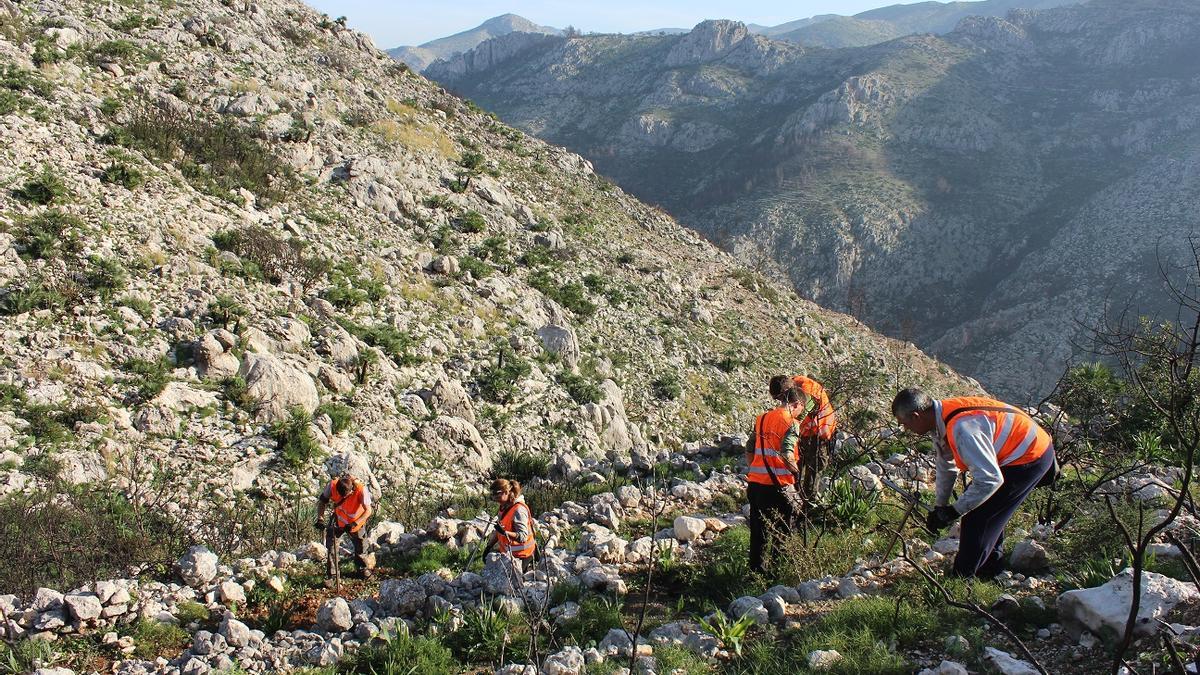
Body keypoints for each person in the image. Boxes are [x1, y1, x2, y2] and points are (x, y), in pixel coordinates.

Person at [891, 388, 1057, 578]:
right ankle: (991, 569)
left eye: (904, 424)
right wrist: (940, 507)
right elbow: (946, 465)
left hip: (1030, 456)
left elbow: (990, 480)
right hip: (1014, 453)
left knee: (978, 517)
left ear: (916, 416)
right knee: (983, 507)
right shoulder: (941, 418)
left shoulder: (963, 429)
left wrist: (954, 511)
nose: (905, 429)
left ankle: (962, 579)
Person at [744, 385, 811, 574]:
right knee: (783, 531)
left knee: (759, 533)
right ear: (796, 404)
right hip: (778, 488)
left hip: (756, 484)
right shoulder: (791, 422)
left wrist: (755, 469)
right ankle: (777, 574)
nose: (800, 414)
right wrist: (796, 475)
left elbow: (749, 449)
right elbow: (787, 453)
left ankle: (757, 574)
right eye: (801, 409)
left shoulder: (762, 418)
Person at [769, 375, 837, 500]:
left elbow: (801, 413)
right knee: (795, 468)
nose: (780, 401)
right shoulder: (793, 386)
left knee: (813, 471)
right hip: (805, 434)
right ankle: (793, 500)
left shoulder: (807, 390)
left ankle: (806, 507)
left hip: (819, 435)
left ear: (786, 392)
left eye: (780, 398)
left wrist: (784, 428)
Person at [315, 472, 374, 582]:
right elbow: (322, 502)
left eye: (345, 496)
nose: (342, 497)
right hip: (338, 521)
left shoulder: (361, 490)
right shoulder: (332, 486)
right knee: (331, 547)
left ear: (351, 491)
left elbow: (368, 511)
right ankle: (332, 576)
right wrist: (320, 519)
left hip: (356, 523)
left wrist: (354, 523)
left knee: (361, 547)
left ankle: (362, 569)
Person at [483, 477, 537, 572]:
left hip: (522, 555)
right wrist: (489, 546)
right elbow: (500, 530)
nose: (495, 499)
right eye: (494, 496)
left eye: (498, 495)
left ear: (506, 492)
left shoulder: (519, 510)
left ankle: (528, 569)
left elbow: (523, 537)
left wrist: (505, 533)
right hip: (508, 553)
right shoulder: (503, 507)